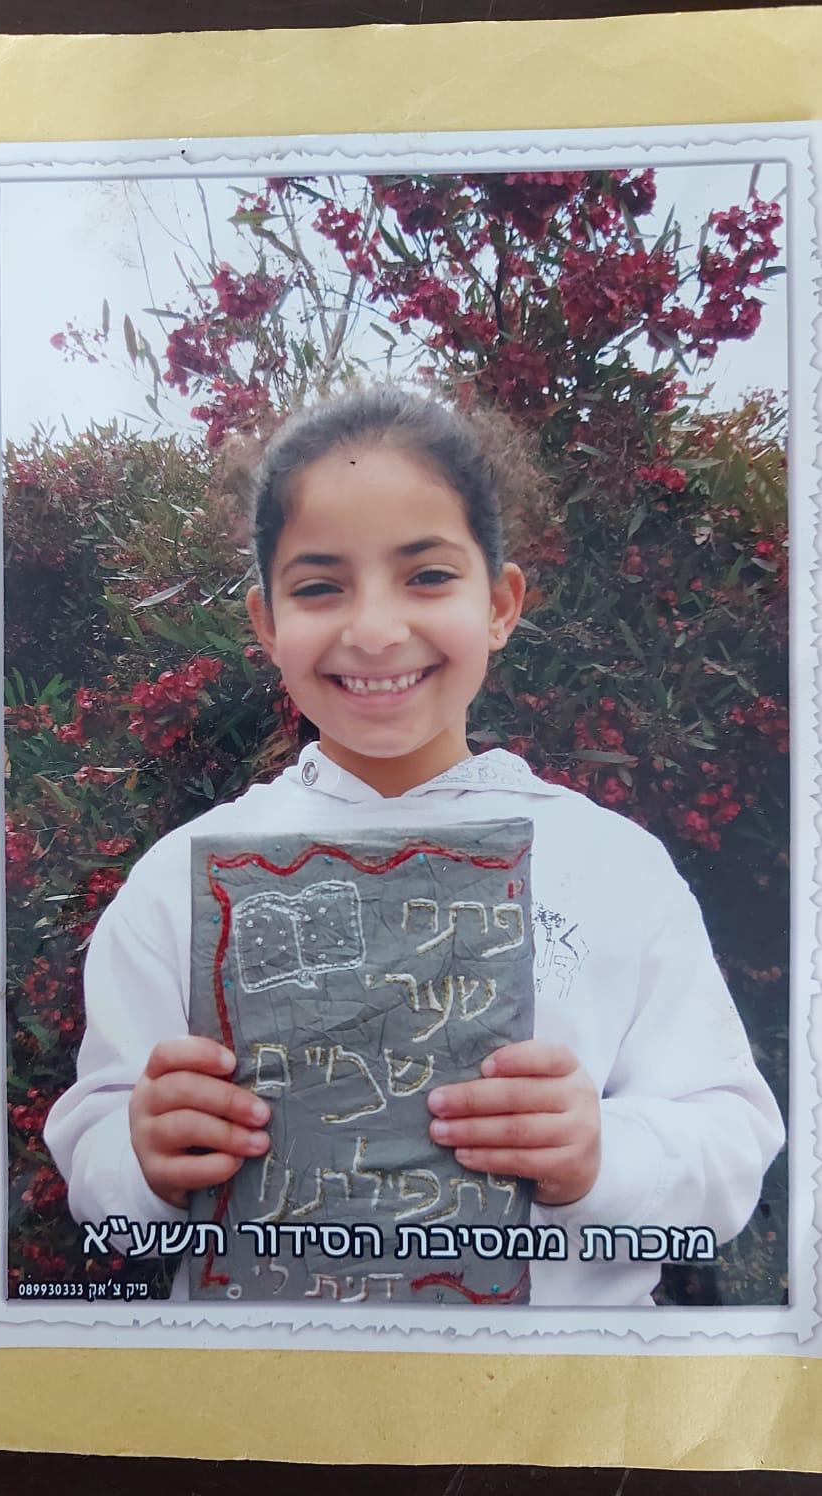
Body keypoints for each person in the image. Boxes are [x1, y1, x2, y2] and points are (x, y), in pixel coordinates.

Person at [44, 385, 786, 1308]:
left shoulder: (614, 868)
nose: (374, 630)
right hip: (264, 1390)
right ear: (267, 624)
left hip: (556, 1392)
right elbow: (98, 1165)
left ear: (501, 604)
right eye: (320, 586)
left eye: (427, 576)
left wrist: (604, 1153)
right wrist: (141, 1154)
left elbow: (728, 1147)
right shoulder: (181, 881)